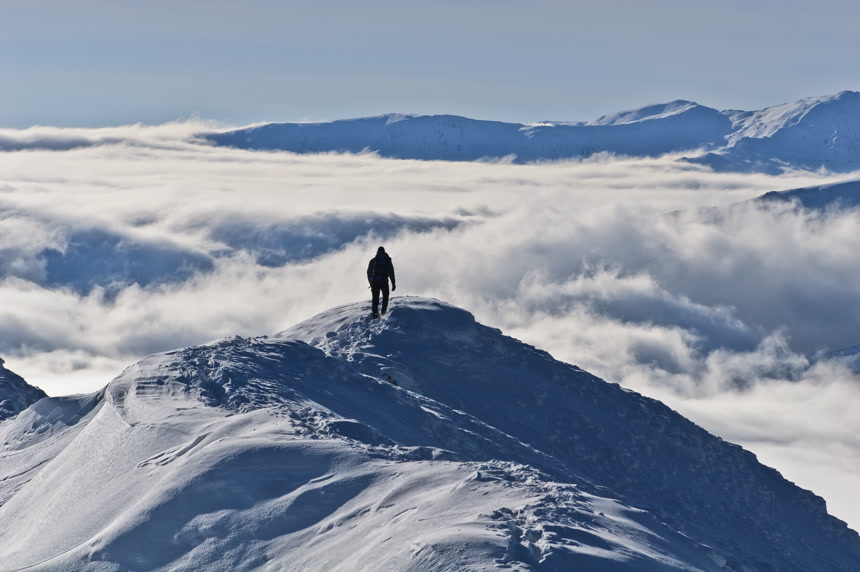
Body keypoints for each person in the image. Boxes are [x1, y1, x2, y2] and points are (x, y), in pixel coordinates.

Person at [367, 246, 396, 318]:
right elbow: (391, 272)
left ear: (377, 252)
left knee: (375, 298)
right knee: (385, 297)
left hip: (375, 282)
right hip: (384, 281)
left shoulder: (373, 261)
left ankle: (375, 314)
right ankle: (383, 311)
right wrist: (393, 283)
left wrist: (370, 282)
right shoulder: (387, 260)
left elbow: (368, 272)